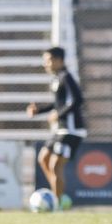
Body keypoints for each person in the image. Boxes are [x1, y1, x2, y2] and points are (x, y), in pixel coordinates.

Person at [26, 47, 87, 210]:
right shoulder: (57, 78)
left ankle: (56, 203)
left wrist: (58, 114)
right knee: (43, 159)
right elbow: (59, 104)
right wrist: (39, 110)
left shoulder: (66, 77)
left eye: (49, 60)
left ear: (59, 60)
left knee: (55, 165)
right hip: (60, 130)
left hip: (71, 130)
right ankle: (58, 196)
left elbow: (77, 100)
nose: (46, 64)